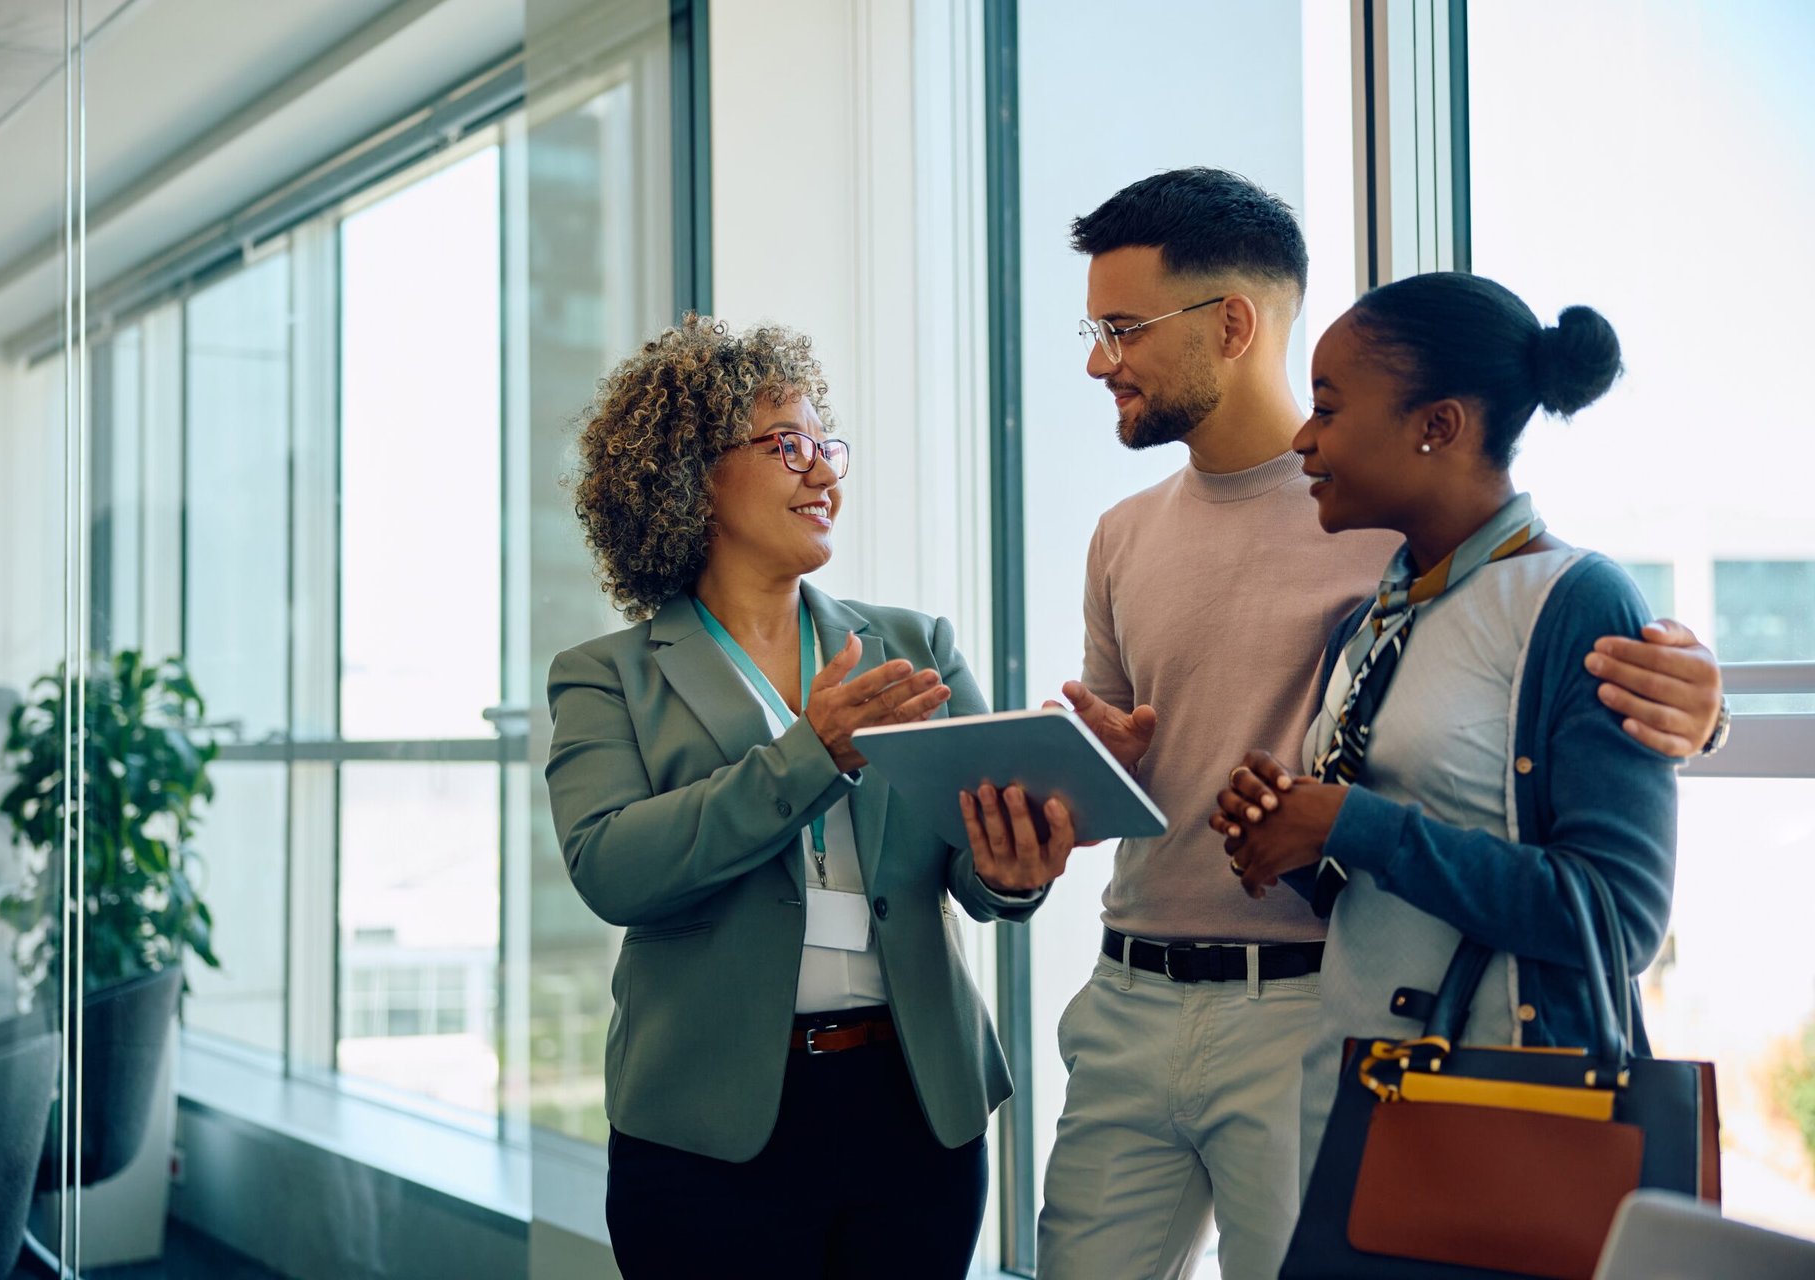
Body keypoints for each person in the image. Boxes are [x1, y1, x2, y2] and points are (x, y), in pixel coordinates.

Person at [952, 168, 1725, 1280]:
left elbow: (1567, 671)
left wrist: (1709, 713)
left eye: (1121, 327)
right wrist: (1071, 792)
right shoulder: (1141, 539)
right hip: (1129, 994)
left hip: (1313, 1012)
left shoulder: (1398, 527)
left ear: (1229, 324)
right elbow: (1185, 778)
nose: (1096, 359)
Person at [544, 316, 1074, 1279]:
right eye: (789, 445)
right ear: (690, 473)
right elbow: (613, 869)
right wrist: (809, 754)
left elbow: (977, 867)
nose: (824, 473)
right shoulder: (607, 675)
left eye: (828, 445)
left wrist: (1015, 867)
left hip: (917, 1105)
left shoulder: (914, 645)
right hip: (707, 1124)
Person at [1211, 273, 1677, 1196]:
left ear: (1441, 425)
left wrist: (1349, 822)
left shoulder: (1576, 601)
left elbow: (1616, 920)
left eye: (1329, 408)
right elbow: (1373, 886)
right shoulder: (1373, 620)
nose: (1302, 438)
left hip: (1502, 1111)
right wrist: (1287, 831)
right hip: (1353, 1100)